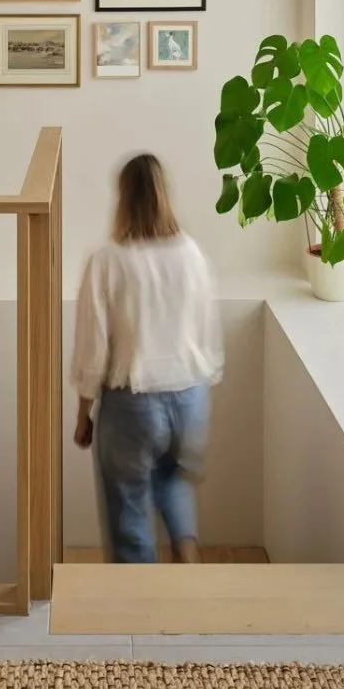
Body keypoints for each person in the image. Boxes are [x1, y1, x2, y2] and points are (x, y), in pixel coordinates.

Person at [70, 153, 224, 564]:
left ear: (123, 198)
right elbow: (208, 332)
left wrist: (84, 412)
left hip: (134, 404)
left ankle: (139, 598)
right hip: (190, 397)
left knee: (129, 513)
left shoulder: (107, 260)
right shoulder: (192, 254)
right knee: (173, 480)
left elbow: (93, 347)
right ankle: (189, 562)